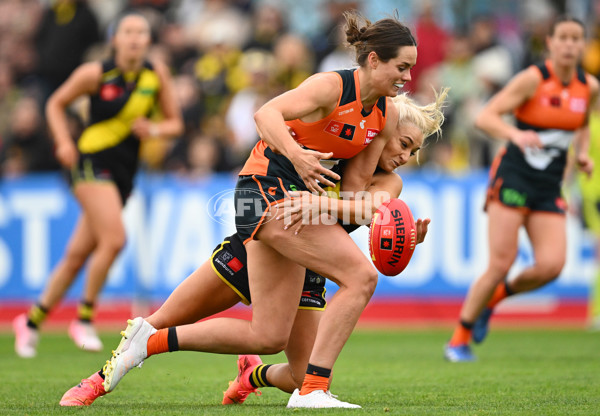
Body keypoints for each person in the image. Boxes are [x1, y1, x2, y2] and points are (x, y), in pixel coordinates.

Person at [101, 10, 418, 409]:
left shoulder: (384, 117)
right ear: (374, 60)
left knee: (268, 337)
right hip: (264, 190)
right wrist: (297, 156)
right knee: (360, 276)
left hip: (300, 210)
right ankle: (313, 392)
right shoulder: (330, 87)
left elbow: (351, 197)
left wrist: (389, 225)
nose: (408, 77)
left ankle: (154, 341)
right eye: (402, 67)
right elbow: (264, 113)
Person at [58, 89, 447, 407]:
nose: (405, 156)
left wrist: (404, 234)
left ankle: (253, 374)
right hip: (259, 246)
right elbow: (284, 174)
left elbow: (371, 210)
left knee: (298, 375)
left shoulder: (390, 183)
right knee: (162, 319)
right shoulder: (337, 150)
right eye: (404, 143)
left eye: (413, 152)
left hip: (307, 266)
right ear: (380, 133)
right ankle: (97, 382)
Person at [12, 12, 183, 358]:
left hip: (123, 172)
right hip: (90, 162)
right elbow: (55, 104)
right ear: (115, 39)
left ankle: (30, 322)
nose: (134, 38)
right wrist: (63, 141)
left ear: (149, 41)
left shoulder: (155, 75)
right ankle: (85, 317)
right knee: (116, 239)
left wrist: (152, 130)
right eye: (127, 31)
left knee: (77, 255)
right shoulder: (95, 73)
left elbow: (174, 124)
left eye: (141, 32)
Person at [444, 15, 598, 362]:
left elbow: (583, 124)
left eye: (577, 38)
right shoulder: (533, 79)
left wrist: (584, 154)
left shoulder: (589, 87)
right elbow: (485, 116)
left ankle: (493, 301)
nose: (571, 45)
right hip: (513, 176)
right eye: (564, 38)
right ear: (551, 43)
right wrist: (515, 134)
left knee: (552, 265)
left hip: (548, 184)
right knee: (501, 262)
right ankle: (458, 338)